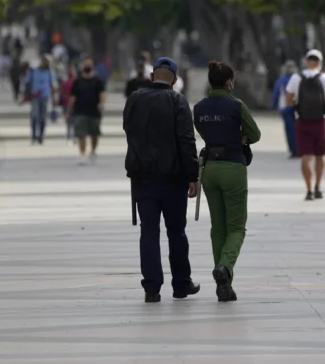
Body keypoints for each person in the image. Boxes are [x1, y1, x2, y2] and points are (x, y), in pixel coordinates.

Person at [123, 56, 200, 303]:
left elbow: (128, 129)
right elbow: (187, 141)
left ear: (152, 76)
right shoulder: (177, 101)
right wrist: (192, 176)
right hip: (173, 178)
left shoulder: (134, 99)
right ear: (175, 80)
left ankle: (152, 287)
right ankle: (181, 283)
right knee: (176, 231)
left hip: (143, 178)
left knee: (149, 231)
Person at [193, 61, 261, 302]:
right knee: (237, 227)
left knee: (218, 228)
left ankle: (224, 286)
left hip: (209, 168)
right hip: (233, 167)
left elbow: (202, 133)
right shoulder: (236, 105)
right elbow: (255, 134)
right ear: (229, 82)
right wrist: (239, 135)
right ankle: (224, 267)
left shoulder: (199, 108)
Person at [285, 49, 325, 201]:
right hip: (321, 121)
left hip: (302, 121)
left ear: (307, 61)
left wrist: (298, 104)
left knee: (306, 157)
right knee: (320, 155)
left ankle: (308, 189)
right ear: (320, 63)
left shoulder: (296, 78)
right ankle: (318, 186)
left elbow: (289, 101)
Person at [66, 58, 106, 165]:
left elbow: (102, 94)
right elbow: (72, 97)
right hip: (80, 111)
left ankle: (93, 152)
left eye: (89, 64)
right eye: (85, 64)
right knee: (81, 134)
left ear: (92, 66)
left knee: (95, 134)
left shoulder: (98, 81)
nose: (87, 66)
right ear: (82, 66)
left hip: (94, 111)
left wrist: (101, 104)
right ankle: (82, 154)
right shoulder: (77, 81)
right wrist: (69, 111)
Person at [23, 55, 58, 145]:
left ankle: (41, 136)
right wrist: (26, 95)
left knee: (43, 118)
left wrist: (54, 98)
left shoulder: (50, 72)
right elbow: (27, 82)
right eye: (46, 62)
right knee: (35, 116)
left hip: (45, 97)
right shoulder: (34, 71)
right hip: (35, 97)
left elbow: (53, 85)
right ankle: (34, 135)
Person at [272, 60, 299, 158]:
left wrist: (274, 106)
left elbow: (276, 94)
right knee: (298, 129)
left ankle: (293, 150)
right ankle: (300, 149)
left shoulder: (281, 81)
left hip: (285, 108)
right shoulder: (298, 80)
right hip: (297, 108)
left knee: (289, 130)